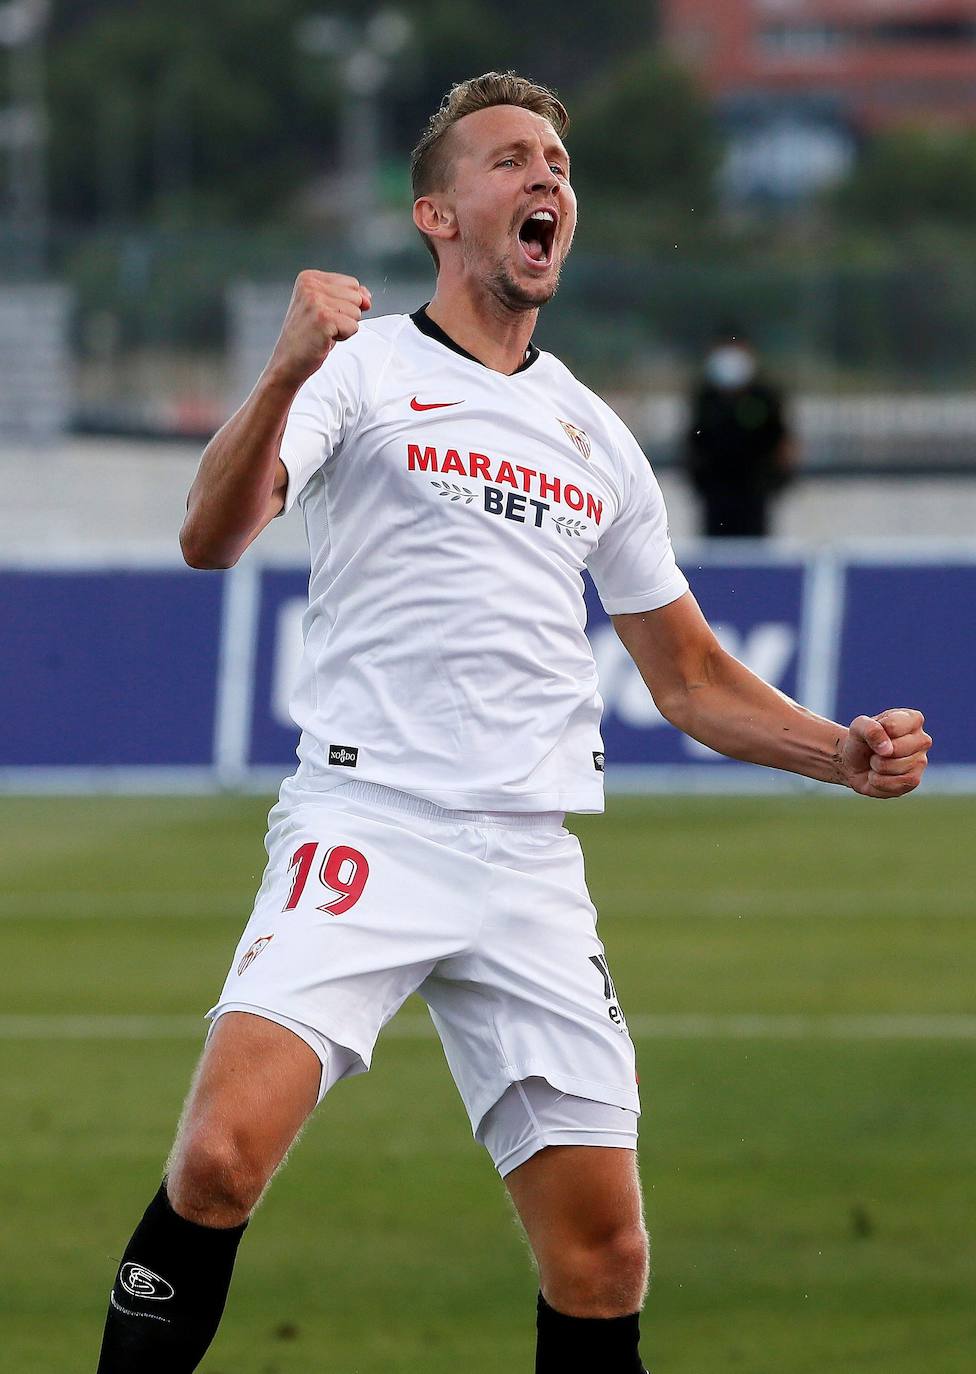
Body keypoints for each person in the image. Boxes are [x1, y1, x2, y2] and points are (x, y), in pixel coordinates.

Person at [95, 72, 931, 1374]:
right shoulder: (359, 369)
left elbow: (692, 674)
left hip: (531, 858)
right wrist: (280, 370)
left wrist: (840, 749)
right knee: (215, 1160)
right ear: (438, 212)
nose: (546, 180)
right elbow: (211, 538)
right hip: (369, 818)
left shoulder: (592, 431)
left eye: (559, 164)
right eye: (509, 161)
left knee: (603, 1259)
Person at [685, 327, 795, 537]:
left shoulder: (765, 396)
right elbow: (693, 443)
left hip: (755, 494)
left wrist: (776, 483)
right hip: (714, 495)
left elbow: (783, 443)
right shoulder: (705, 397)